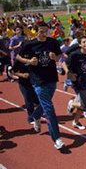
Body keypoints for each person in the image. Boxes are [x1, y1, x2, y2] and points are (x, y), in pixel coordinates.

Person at [16, 21, 65, 149]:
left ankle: (36, 116)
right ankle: (57, 138)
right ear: (36, 31)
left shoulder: (52, 42)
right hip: (38, 80)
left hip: (52, 79)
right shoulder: (30, 44)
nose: (44, 34)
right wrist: (28, 61)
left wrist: (55, 57)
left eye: (46, 31)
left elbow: (59, 55)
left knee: (45, 103)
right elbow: (18, 57)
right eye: (41, 31)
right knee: (49, 108)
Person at [64, 36, 86, 130]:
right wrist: (69, 73)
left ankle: (76, 121)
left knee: (84, 106)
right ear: (80, 44)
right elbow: (64, 64)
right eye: (84, 42)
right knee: (85, 105)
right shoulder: (75, 55)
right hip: (77, 81)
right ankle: (72, 104)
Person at [12, 59, 40, 124]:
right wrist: (22, 75)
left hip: (34, 82)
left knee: (37, 100)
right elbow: (13, 71)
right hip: (23, 83)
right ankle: (30, 118)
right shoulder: (19, 59)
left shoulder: (34, 57)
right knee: (28, 100)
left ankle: (38, 113)